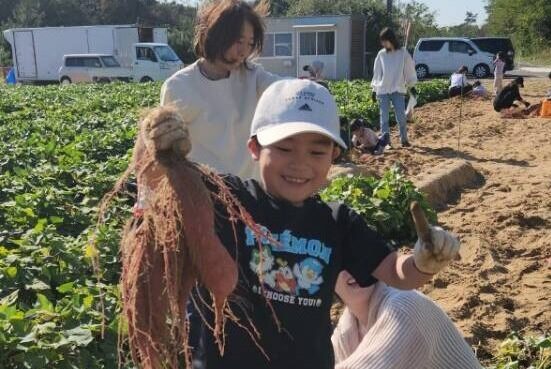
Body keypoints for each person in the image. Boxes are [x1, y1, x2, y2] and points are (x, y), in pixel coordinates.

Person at [136, 79, 461, 369]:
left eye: (316, 152)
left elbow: (394, 272)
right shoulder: (228, 198)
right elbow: (160, 181)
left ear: (334, 155)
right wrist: (158, 146)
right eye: (284, 148)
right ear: (254, 148)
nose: (300, 163)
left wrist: (423, 263)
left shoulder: (337, 222)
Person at [160, 0, 280, 180]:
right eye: (238, 41)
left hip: (250, 194)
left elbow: (283, 89)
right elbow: (164, 147)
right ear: (214, 35)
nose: (243, 52)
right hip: (202, 192)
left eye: (250, 43)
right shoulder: (179, 87)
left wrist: (308, 88)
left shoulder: (252, 77)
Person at [331, 270, 482, 369]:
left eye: (357, 257)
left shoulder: (404, 305)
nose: (351, 268)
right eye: (341, 260)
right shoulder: (346, 331)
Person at [371, 27, 418, 152]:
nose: (383, 43)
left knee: (401, 117)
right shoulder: (381, 54)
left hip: (398, 89)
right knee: (384, 118)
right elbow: (377, 72)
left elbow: (409, 69)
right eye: (382, 41)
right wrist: (374, 89)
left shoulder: (403, 53)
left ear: (391, 39)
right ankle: (387, 143)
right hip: (383, 90)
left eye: (385, 40)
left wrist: (411, 85)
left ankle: (404, 140)